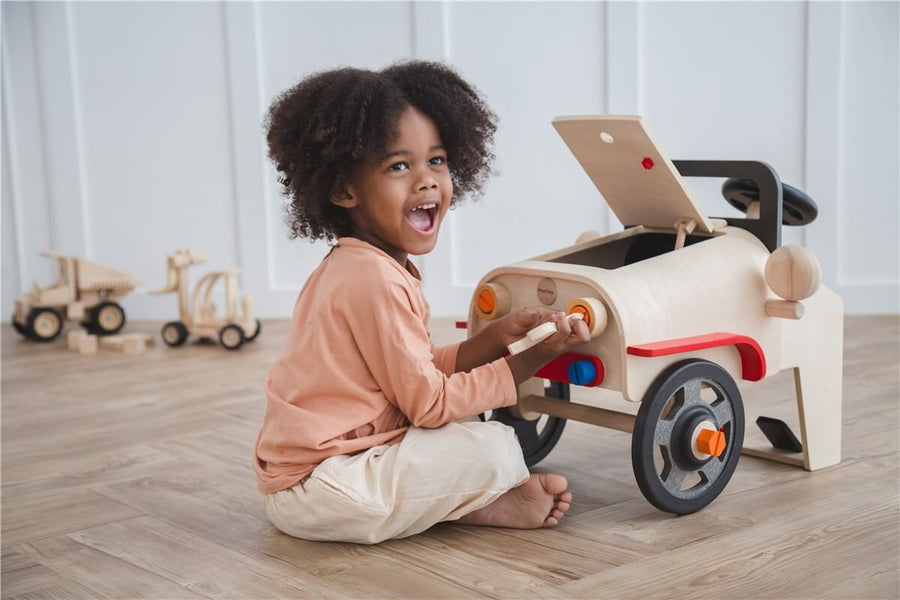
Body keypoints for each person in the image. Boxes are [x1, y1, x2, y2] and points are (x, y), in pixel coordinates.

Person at [255, 60, 591, 544]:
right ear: (343, 189)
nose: (427, 180)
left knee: (475, 425)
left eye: (436, 160)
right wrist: (531, 360)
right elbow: (429, 406)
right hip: (323, 487)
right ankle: (472, 505)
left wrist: (494, 340)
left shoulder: (364, 265)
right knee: (495, 449)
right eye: (399, 166)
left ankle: (460, 502)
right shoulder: (372, 280)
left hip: (340, 467)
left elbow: (414, 376)